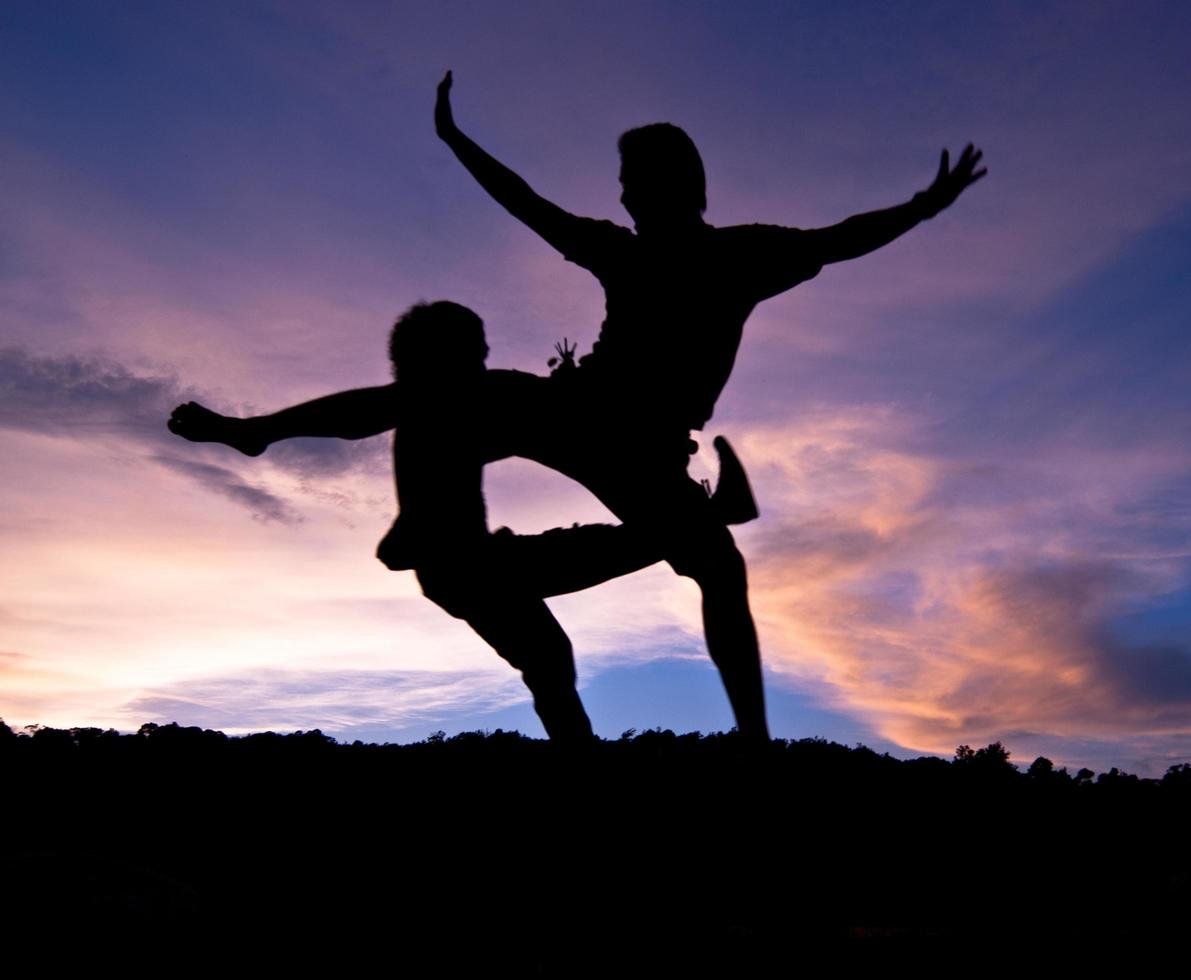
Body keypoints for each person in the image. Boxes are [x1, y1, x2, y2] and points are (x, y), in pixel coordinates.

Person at [428, 71, 986, 740]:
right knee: (716, 568)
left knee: (721, 570)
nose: (623, 191)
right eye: (622, 179)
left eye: (631, 178)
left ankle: (753, 734)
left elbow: (841, 239)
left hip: (615, 435)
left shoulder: (725, 254)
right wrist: (456, 140)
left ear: (669, 182)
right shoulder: (701, 253)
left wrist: (922, 205)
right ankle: (459, 548)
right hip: (598, 423)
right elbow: (527, 204)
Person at [168, 300, 757, 742]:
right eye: (475, 350)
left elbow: (550, 410)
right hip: (468, 569)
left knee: (550, 661)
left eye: (482, 350)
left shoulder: (451, 400)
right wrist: (251, 430)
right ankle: (709, 515)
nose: (483, 359)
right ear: (440, 358)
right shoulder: (433, 398)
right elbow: (356, 414)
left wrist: (632, 426)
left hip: (472, 568)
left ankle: (583, 765)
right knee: (560, 626)